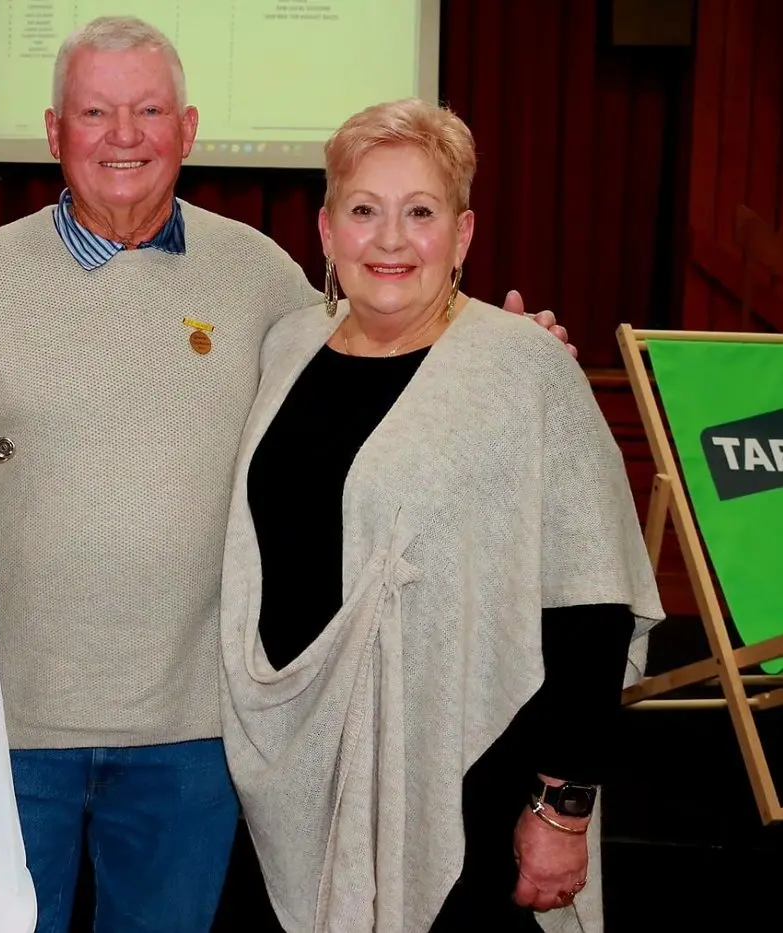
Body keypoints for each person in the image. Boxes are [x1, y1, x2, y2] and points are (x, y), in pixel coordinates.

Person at [0, 17, 574, 933]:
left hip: (197, 731)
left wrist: (503, 348)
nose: (123, 135)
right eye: (96, 111)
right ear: (52, 128)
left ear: (187, 130)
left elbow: (378, 345)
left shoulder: (262, 278)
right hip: (8, 722)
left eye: (148, 110)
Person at [218, 97, 664, 933]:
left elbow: (590, 603)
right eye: (363, 210)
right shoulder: (285, 348)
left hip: (466, 783)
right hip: (293, 776)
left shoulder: (520, 368)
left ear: (460, 236)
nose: (389, 239)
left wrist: (560, 809)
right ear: (324, 231)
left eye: (419, 212)